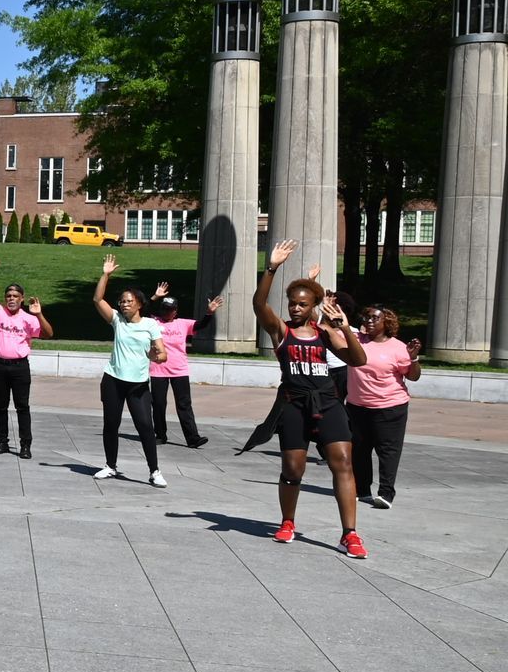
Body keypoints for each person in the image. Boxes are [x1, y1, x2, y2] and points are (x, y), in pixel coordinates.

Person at [242, 238, 368, 557]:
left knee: (343, 462)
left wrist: (346, 329)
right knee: (293, 469)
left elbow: (359, 360)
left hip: (327, 402)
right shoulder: (280, 331)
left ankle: (350, 534)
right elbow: (259, 304)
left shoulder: (326, 334)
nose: (296, 308)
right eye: (292, 303)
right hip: (294, 403)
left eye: (302, 304)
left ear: (313, 307)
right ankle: (287, 521)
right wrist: (271, 268)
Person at [90, 254, 169, 487]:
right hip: (113, 380)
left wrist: (155, 356)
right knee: (110, 424)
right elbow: (97, 299)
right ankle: (110, 466)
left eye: (128, 301)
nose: (124, 304)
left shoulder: (150, 325)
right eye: (122, 301)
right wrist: (105, 274)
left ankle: (154, 471)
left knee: (145, 425)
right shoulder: (117, 321)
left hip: (138, 384)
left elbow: (162, 354)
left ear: (139, 304)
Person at [347, 303, 419, 510]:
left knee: (388, 451)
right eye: (366, 317)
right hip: (357, 406)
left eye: (374, 318)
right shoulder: (355, 340)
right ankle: (362, 490)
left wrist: (413, 358)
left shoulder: (398, 348)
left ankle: (386, 493)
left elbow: (413, 376)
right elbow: (331, 330)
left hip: (390, 408)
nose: (369, 321)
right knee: (359, 450)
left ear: (386, 322)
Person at [0, 257, 53, 458]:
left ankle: (25, 445)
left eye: (15, 296)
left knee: (22, 406)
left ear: (22, 299)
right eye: (8, 296)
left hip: (20, 367)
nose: (11, 299)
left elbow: (48, 334)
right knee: (0, 406)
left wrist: (39, 314)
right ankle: (2, 442)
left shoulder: (29, 318)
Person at [148, 284, 218, 448]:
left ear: (176, 311)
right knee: (158, 404)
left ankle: (193, 438)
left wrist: (209, 313)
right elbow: (142, 310)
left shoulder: (183, 324)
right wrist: (155, 296)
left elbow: (200, 325)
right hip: (158, 370)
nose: (167, 312)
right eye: (164, 309)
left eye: (170, 309)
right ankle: (160, 435)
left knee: (184, 404)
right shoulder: (153, 322)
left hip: (179, 370)